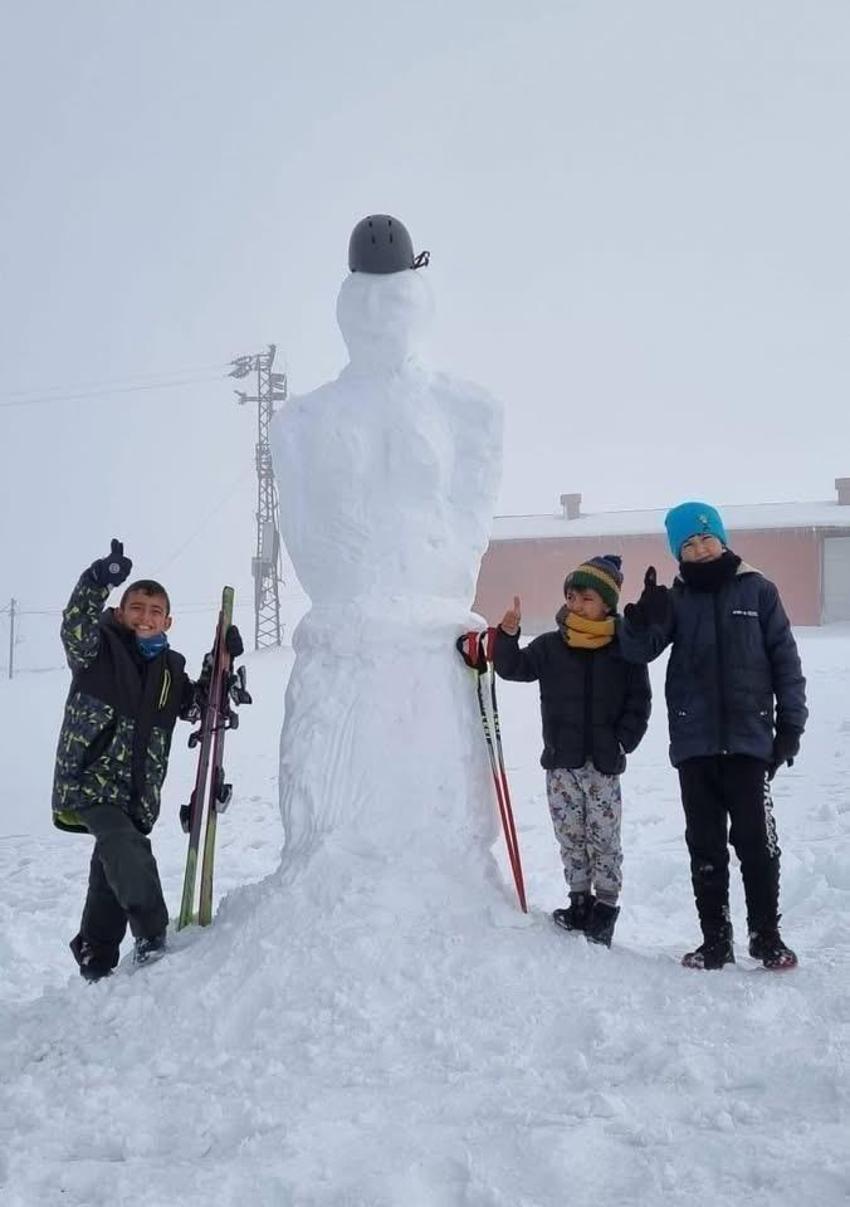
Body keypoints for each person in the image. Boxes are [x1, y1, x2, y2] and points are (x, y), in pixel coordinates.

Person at [619, 502, 807, 970]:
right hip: (695, 744)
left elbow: (785, 661)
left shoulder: (759, 590)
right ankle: (715, 940)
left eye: (707, 538)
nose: (701, 548)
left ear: (722, 539)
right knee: (704, 845)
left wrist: (790, 727)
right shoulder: (676, 600)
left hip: (749, 743)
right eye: (689, 543)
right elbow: (639, 651)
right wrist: (642, 617)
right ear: (677, 553)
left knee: (757, 844)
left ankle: (766, 936)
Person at [52, 540, 241, 982]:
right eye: (136, 607)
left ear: (167, 621)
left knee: (110, 866)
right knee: (124, 847)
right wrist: (98, 579)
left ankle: (96, 958)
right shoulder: (96, 651)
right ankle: (153, 937)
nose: (145, 617)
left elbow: (198, 707)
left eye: (155, 611)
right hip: (89, 782)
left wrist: (221, 662)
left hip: (138, 793)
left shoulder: (171, 671)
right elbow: (75, 624)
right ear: (121, 613)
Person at [492, 555, 651, 947]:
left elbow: (640, 702)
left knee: (604, 839)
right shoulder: (551, 646)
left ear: (607, 605)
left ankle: (605, 908)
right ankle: (579, 902)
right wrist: (508, 637)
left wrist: (622, 741)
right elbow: (513, 668)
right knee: (571, 835)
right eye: (572, 596)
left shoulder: (623, 650)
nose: (577, 605)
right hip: (562, 762)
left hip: (604, 763)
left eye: (587, 599)